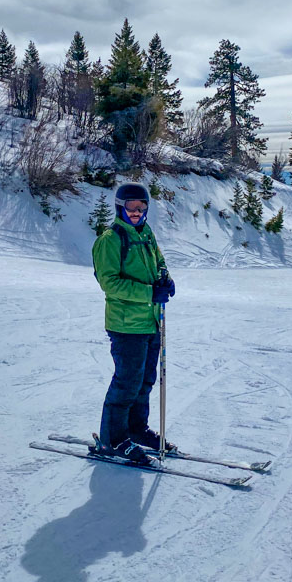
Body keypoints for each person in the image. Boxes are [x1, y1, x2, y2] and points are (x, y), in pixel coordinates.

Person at [92, 183, 176, 465]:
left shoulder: (146, 234)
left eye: (141, 207)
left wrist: (165, 278)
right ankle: (112, 441)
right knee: (127, 383)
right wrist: (149, 293)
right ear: (120, 207)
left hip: (150, 321)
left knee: (145, 381)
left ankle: (136, 430)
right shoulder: (111, 239)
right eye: (131, 207)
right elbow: (110, 283)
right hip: (126, 324)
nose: (137, 212)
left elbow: (159, 262)